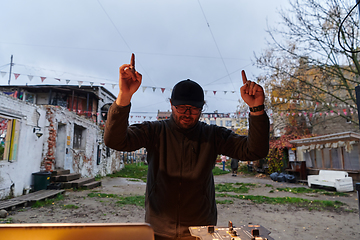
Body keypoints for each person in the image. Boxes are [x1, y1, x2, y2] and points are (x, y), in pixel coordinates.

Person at [104, 53, 270, 240]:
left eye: (194, 108)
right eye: (181, 107)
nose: (188, 113)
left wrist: (257, 110)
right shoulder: (154, 131)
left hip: (200, 230)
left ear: (202, 108)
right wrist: (124, 96)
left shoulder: (212, 135)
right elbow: (115, 141)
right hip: (159, 228)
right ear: (171, 105)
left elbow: (254, 150)